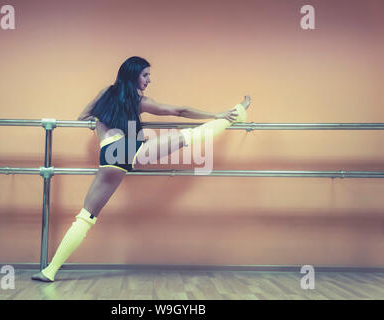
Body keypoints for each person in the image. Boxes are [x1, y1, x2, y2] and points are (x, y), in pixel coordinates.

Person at [31, 56, 251, 282]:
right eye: (145, 75)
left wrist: (101, 114)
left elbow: (83, 116)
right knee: (190, 136)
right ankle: (234, 114)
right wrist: (215, 115)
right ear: (132, 74)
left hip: (109, 155)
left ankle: (49, 271)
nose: (149, 80)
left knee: (85, 218)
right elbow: (179, 110)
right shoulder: (138, 100)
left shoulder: (106, 94)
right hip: (128, 150)